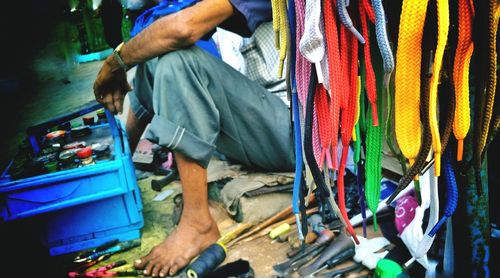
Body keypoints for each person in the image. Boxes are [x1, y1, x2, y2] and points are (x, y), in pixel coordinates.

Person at [93, 0, 294, 276]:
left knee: (178, 60)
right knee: (155, 47)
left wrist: (115, 62)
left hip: (299, 133)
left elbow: (182, 28)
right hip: (263, 127)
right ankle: (124, 154)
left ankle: (198, 222)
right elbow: (165, 29)